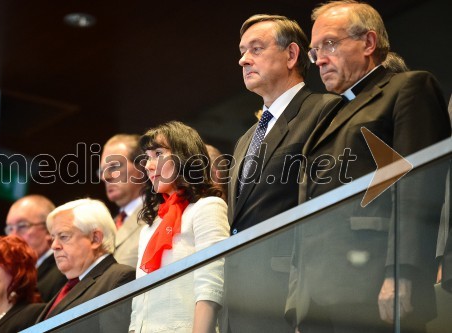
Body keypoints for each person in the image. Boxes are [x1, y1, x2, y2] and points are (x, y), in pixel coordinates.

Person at [286, 1, 451, 332]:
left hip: (373, 285)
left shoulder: (408, 89)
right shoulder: (332, 112)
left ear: (369, 43)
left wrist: (401, 273)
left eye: (329, 44)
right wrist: (297, 296)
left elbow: (417, 189)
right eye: (314, 50)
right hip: (317, 297)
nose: (318, 59)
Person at [224, 14, 341, 333]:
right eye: (242, 50)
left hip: (292, 297)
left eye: (256, 48)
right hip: (240, 302)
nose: (243, 59)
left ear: (291, 55)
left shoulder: (325, 111)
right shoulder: (246, 139)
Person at [129, 121, 229, 333]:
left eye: (158, 153)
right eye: (147, 157)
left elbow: (211, 286)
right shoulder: (150, 225)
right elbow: (139, 303)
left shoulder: (207, 207)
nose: (148, 165)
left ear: (184, 155)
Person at [36, 198, 135, 327]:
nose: (54, 246)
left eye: (63, 236)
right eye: (53, 237)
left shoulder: (120, 279)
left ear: (95, 239)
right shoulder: (70, 286)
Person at [5, 194, 66, 302]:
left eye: (22, 226)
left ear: (48, 229)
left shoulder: (64, 272)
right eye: (10, 228)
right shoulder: (15, 277)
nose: (12, 236)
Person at [99, 134, 146, 268]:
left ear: (142, 167)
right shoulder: (106, 228)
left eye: (114, 167)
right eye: (102, 170)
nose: (105, 177)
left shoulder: (160, 213)